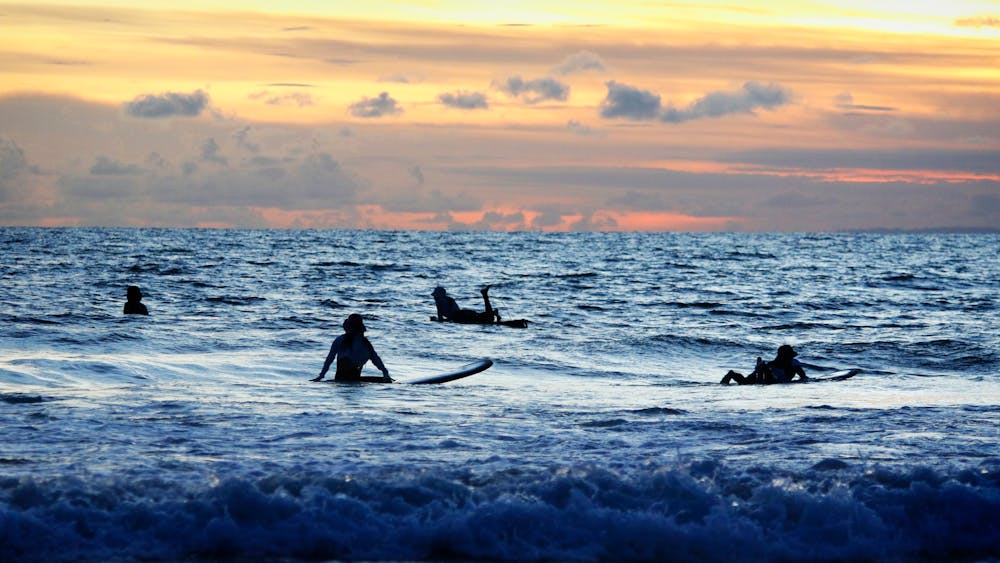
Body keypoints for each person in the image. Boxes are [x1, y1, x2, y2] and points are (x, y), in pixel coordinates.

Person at [311, 314, 392, 383]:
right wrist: (385, 373)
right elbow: (376, 359)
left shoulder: (341, 340)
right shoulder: (366, 343)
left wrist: (321, 375)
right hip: (355, 382)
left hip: (342, 380)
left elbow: (330, 359)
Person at [720, 344, 808, 385]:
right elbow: (803, 376)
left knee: (744, 381)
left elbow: (802, 376)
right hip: (772, 377)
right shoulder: (793, 363)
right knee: (763, 380)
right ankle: (760, 370)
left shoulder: (774, 362)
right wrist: (796, 382)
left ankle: (729, 377)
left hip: (764, 373)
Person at [432, 285, 500, 324]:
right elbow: (453, 312)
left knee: (488, 318)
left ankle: (485, 296)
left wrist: (435, 319)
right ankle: (491, 310)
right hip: (463, 313)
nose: (434, 297)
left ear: (438, 296)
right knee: (486, 317)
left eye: (435, 296)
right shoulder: (449, 299)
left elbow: (441, 318)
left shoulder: (439, 302)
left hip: (461, 316)